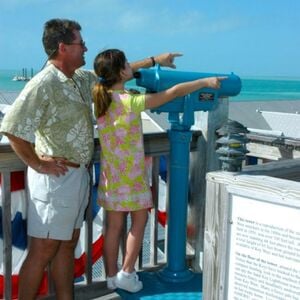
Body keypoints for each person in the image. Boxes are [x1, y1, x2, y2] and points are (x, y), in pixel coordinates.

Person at [0, 18, 182, 300]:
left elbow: (117, 72)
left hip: (77, 176)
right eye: (80, 43)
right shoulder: (43, 83)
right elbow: (12, 127)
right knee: (43, 249)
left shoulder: (80, 79)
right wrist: (38, 163)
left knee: (66, 245)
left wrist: (156, 59)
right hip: (54, 181)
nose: (85, 48)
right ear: (63, 47)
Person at [92, 48, 225, 293]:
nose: (131, 67)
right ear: (122, 71)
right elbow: (172, 92)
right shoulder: (130, 102)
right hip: (131, 175)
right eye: (127, 65)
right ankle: (127, 272)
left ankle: (111, 276)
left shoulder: (101, 96)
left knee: (113, 227)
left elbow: (114, 74)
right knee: (140, 219)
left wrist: (156, 60)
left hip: (111, 176)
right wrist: (205, 82)